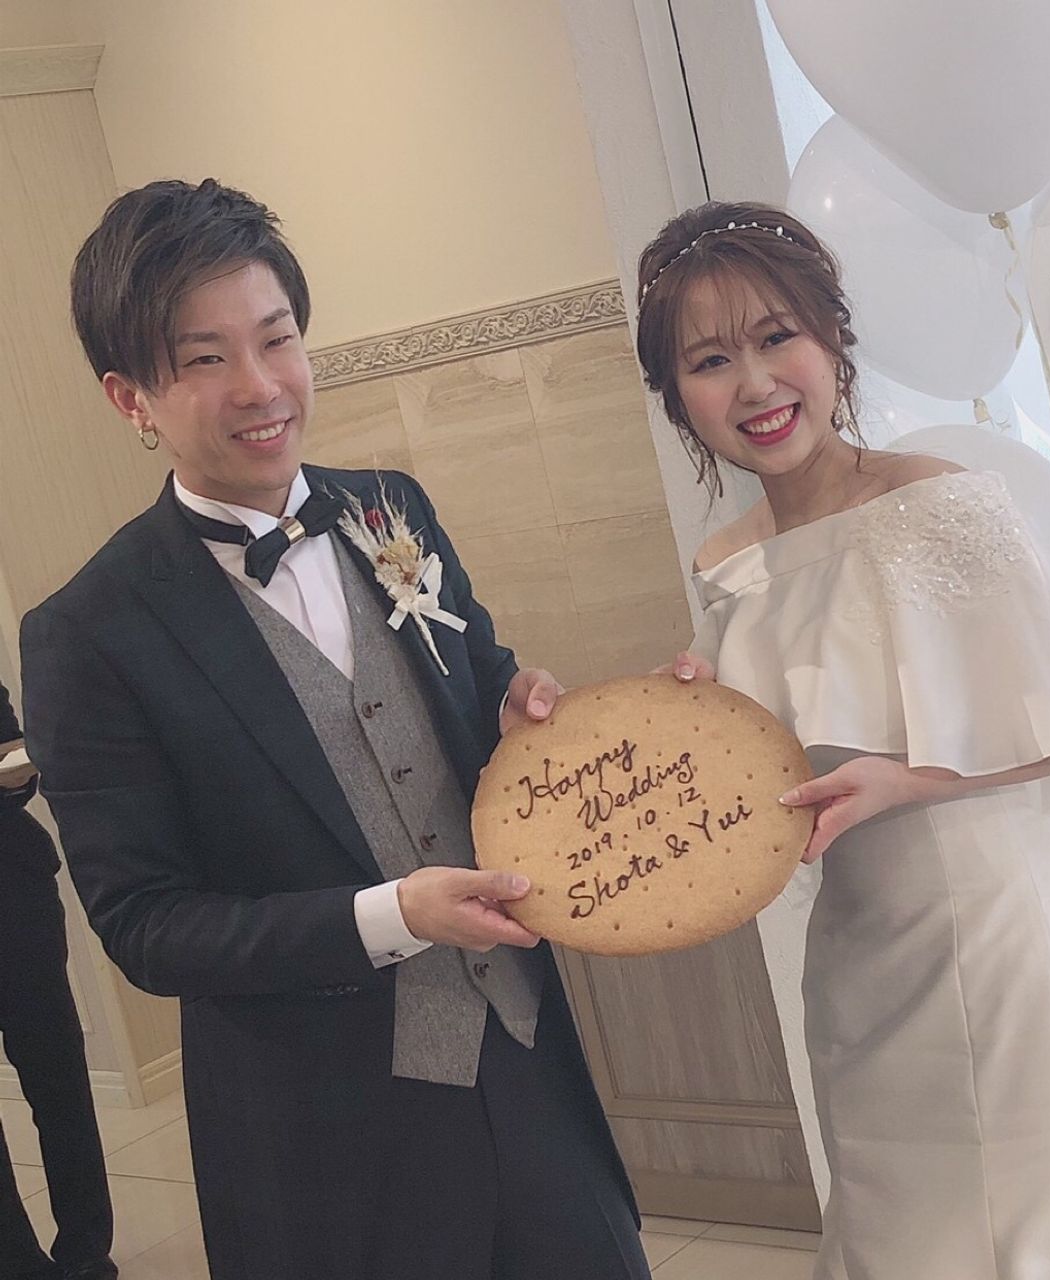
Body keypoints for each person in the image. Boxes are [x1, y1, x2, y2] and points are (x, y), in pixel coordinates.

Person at [20, 179, 649, 1280]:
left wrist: (514, 708)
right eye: (206, 358)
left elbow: (474, 682)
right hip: (323, 1129)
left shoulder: (390, 509)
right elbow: (146, 926)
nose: (261, 386)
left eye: (277, 339)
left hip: (527, 1057)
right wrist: (390, 915)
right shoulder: (88, 632)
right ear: (130, 398)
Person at [633, 200, 1050, 1280]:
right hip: (857, 965)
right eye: (711, 360)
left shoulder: (933, 499)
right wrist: (684, 724)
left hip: (1005, 947)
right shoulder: (725, 560)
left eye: (777, 338)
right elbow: (762, 787)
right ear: (676, 394)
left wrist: (910, 781)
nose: (755, 385)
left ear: (832, 338)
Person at [0, 680, 116, 1280]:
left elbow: (12, 758)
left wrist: (16, 770)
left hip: (13, 894)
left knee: (59, 1076)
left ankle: (88, 1251)